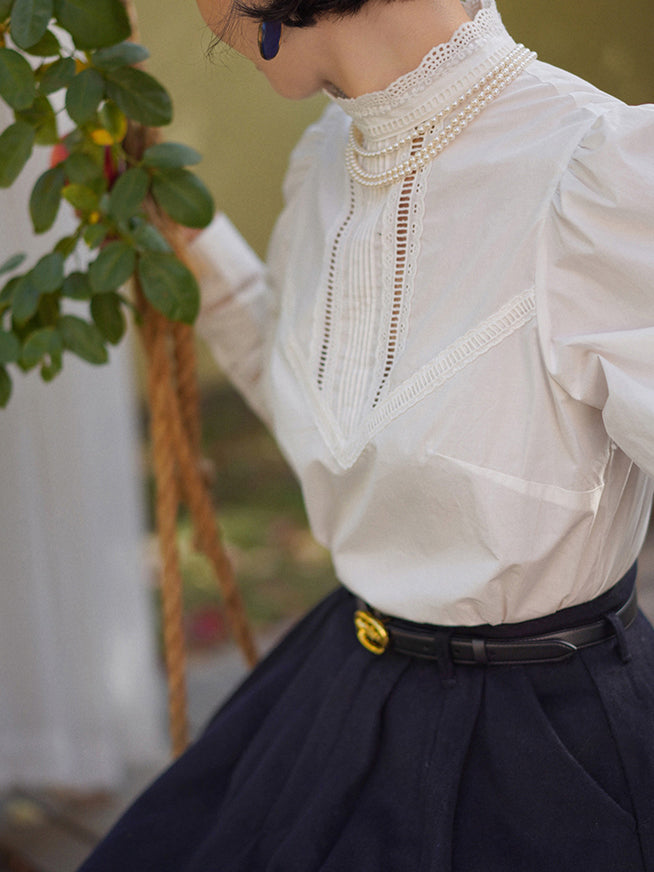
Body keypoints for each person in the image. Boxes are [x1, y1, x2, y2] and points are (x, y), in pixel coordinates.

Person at [78, 0, 654, 868]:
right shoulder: (324, 162)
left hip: (546, 755)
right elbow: (339, 436)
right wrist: (180, 224)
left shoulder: (599, 172)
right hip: (348, 686)